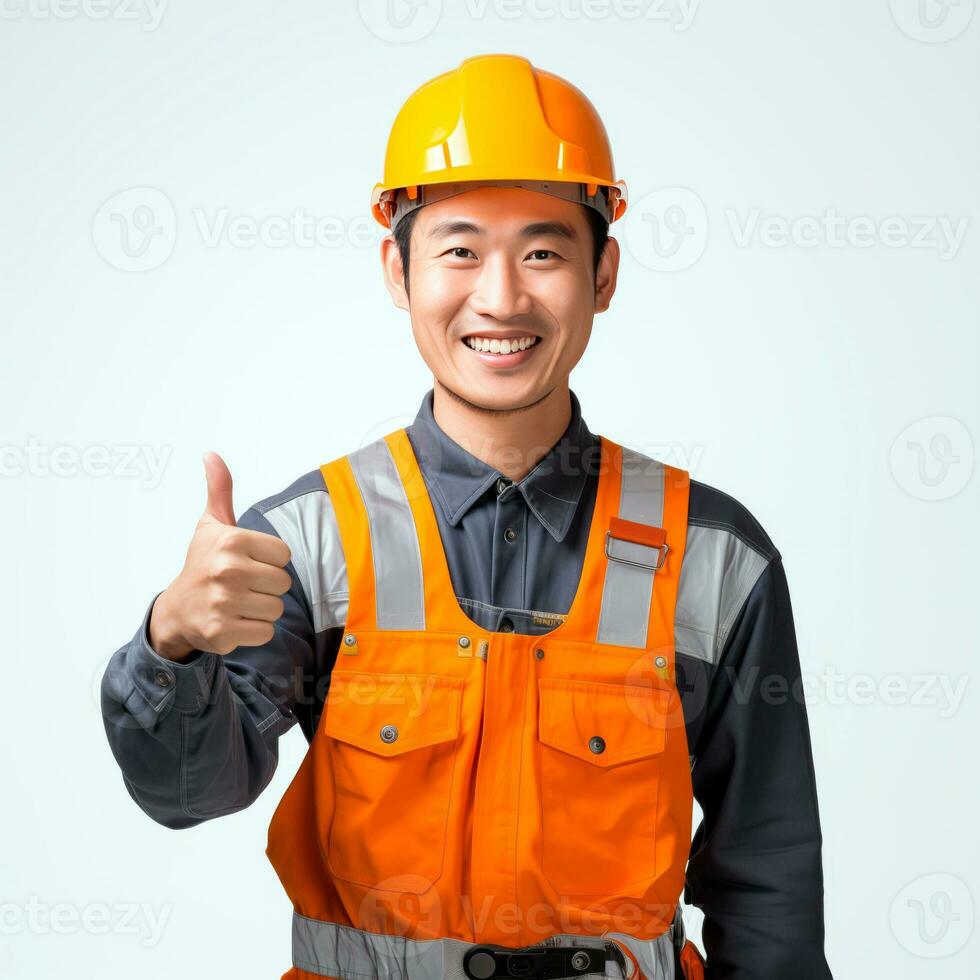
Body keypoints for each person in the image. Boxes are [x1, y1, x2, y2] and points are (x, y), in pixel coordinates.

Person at [101, 53, 833, 980]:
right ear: (396, 271)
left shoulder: (714, 557)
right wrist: (174, 643)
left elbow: (766, 874)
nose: (501, 297)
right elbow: (187, 793)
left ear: (603, 273)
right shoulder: (305, 542)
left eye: (543, 250)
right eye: (458, 248)